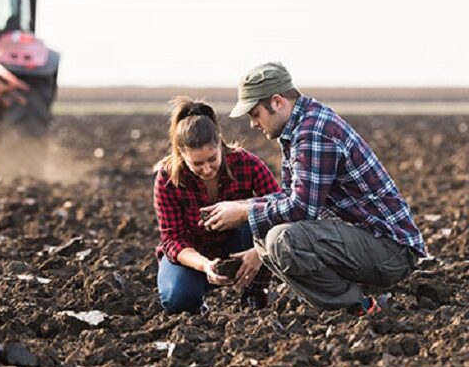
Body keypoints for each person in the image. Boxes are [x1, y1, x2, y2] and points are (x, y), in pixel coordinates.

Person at [204, 62, 426, 316]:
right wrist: (244, 208)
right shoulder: (299, 126)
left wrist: (244, 213)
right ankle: (360, 294)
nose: (253, 124)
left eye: (255, 114)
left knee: (281, 240)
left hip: (391, 251)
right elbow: (293, 197)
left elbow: (301, 209)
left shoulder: (313, 132)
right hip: (367, 241)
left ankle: (362, 305)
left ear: (277, 102)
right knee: (268, 233)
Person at [154, 97, 281, 314]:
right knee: (177, 299)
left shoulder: (247, 164)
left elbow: (281, 208)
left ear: (220, 144)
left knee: (258, 215)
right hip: (193, 254)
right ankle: (197, 304)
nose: (207, 169)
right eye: (197, 164)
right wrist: (205, 265)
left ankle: (254, 297)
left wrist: (259, 253)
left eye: (212, 159)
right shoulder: (167, 179)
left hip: (240, 245)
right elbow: (172, 239)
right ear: (182, 155)